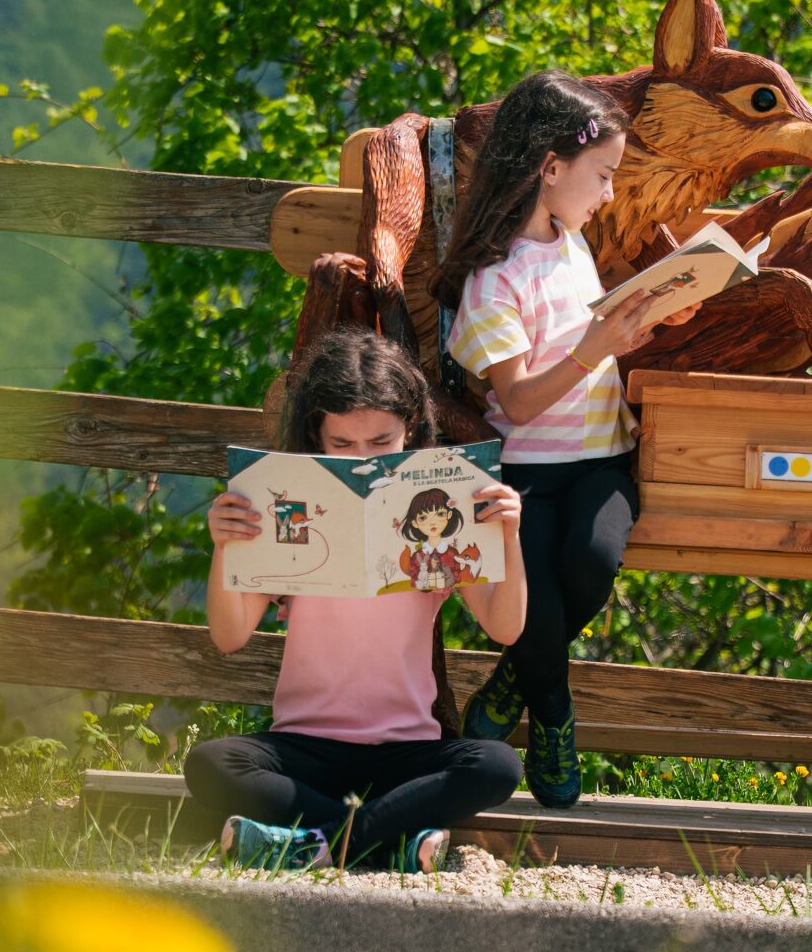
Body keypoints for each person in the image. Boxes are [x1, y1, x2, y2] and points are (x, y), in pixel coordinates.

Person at [436, 71, 688, 806]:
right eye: (602, 175)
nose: (608, 194)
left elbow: (592, 345)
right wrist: (595, 345)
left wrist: (645, 321)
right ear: (550, 168)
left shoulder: (572, 244)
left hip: (603, 461)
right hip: (525, 473)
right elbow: (518, 398)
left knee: (593, 562)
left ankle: (514, 679)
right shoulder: (493, 280)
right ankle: (551, 714)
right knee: (538, 610)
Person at [190, 328, 528, 872]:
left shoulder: (440, 505)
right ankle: (387, 843)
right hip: (305, 748)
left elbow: (505, 627)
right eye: (342, 445)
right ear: (316, 435)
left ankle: (315, 846)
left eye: (381, 442)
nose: (362, 458)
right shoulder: (286, 500)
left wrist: (509, 539)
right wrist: (224, 547)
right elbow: (229, 636)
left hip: (405, 754)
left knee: (498, 765)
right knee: (211, 763)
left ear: (410, 428)